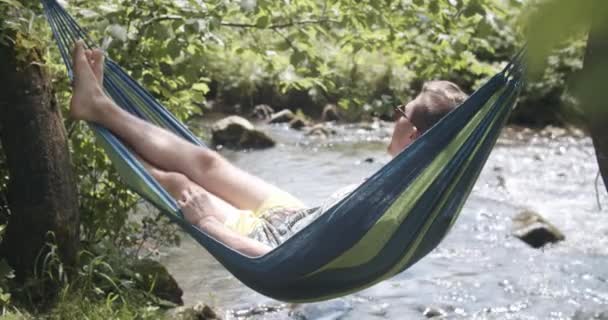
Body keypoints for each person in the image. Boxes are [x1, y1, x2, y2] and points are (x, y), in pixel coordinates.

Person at [69, 41, 467, 257]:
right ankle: (102, 103)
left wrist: (207, 223)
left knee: (176, 183)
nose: (394, 116)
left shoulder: (390, 205)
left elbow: (275, 263)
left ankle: (96, 108)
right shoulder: (410, 182)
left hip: (279, 243)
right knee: (207, 161)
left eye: (403, 111)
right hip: (300, 220)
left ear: (415, 136)